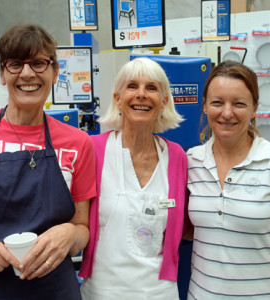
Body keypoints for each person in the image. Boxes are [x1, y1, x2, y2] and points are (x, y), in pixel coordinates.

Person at [0, 24, 96, 299]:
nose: (27, 73)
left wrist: (69, 233)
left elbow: (82, 228)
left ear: (54, 72)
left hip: (52, 289)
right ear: (2, 74)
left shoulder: (78, 143)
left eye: (39, 63)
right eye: (15, 64)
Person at [79, 57, 188, 299]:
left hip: (160, 293)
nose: (141, 95)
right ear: (117, 98)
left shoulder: (177, 157)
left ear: (164, 102)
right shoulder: (92, 150)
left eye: (151, 88)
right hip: (102, 291)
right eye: (132, 86)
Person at [187, 60, 270, 299]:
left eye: (239, 104)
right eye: (217, 102)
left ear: (255, 108)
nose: (227, 113)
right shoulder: (190, 162)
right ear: (204, 106)